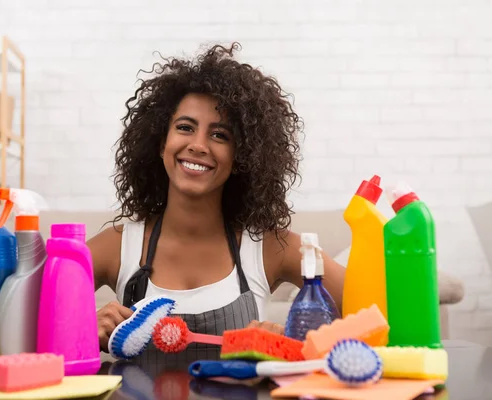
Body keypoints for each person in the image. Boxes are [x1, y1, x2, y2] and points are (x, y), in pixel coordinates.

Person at [88, 42, 346, 355]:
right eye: (185, 127)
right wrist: (83, 330)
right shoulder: (116, 247)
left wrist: (295, 343)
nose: (198, 145)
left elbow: (379, 315)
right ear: (160, 143)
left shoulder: (271, 248)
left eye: (219, 135)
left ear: (242, 157)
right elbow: (28, 330)